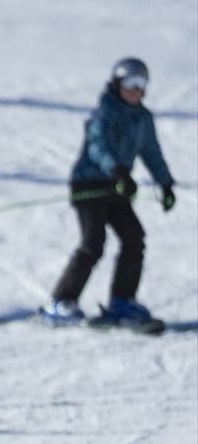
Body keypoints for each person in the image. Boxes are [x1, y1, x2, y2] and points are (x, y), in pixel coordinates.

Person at [42, 57, 176, 326]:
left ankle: (122, 302)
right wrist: (117, 171)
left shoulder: (143, 118)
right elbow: (97, 147)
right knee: (93, 243)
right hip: (89, 184)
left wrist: (165, 183)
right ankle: (60, 302)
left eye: (141, 84)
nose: (136, 90)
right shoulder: (103, 113)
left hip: (117, 186)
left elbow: (151, 152)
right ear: (117, 84)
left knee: (134, 237)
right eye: (130, 83)